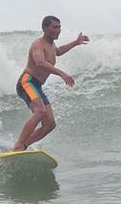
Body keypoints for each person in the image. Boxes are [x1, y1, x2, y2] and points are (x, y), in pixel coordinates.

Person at [13, 16, 89, 151]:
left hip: (37, 86)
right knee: (40, 111)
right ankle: (19, 144)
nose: (58, 30)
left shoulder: (51, 45)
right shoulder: (38, 44)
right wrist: (62, 73)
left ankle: (23, 146)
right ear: (44, 28)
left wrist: (76, 42)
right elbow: (40, 63)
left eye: (59, 27)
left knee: (50, 124)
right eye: (54, 27)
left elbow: (58, 51)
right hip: (27, 82)